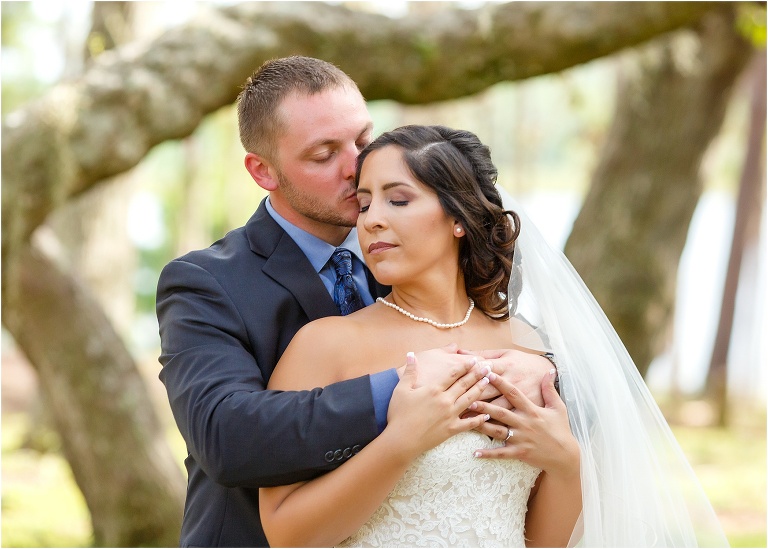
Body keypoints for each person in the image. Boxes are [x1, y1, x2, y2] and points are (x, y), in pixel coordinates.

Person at [260, 125, 730, 547]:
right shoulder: (324, 345)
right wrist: (401, 441)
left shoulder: (529, 350)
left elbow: (540, 541)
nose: (370, 220)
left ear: (458, 217)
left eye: (397, 200)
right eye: (363, 204)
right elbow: (286, 535)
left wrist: (566, 463)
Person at [156, 57, 553, 547]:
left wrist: (545, 375)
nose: (356, 166)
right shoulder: (207, 282)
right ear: (263, 171)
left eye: (364, 141)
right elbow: (226, 436)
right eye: (324, 154)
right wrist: (405, 385)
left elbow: (563, 395)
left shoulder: (430, 258)